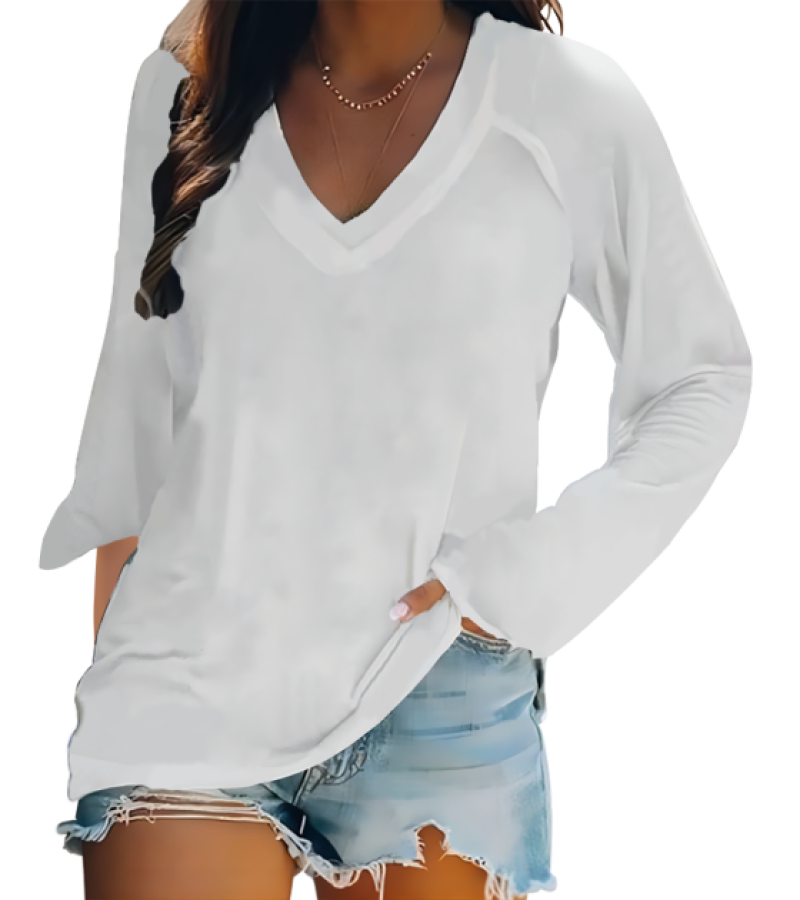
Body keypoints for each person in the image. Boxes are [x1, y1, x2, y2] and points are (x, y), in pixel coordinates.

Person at [40, 0, 753, 898]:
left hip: (439, 688)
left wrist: (519, 580)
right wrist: (108, 695)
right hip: (183, 681)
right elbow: (132, 426)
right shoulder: (187, 91)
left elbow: (702, 375)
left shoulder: (565, 103)